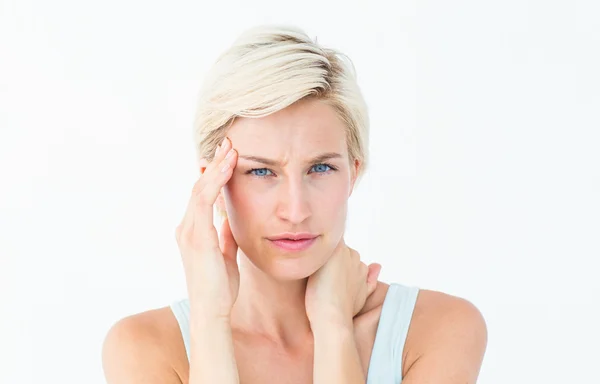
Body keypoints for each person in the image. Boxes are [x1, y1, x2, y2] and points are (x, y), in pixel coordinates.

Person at [101, 25, 488, 383]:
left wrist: (333, 325)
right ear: (213, 183)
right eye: (261, 172)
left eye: (320, 168)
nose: (295, 210)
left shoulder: (438, 328)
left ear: (354, 172)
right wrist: (210, 320)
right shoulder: (144, 348)